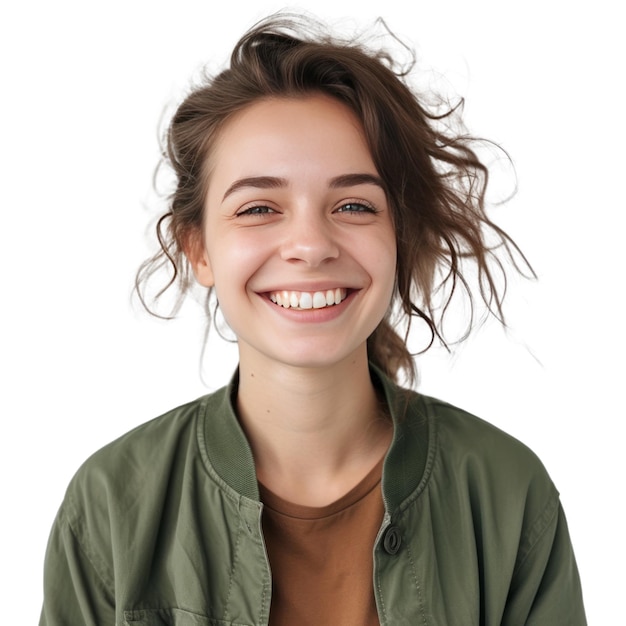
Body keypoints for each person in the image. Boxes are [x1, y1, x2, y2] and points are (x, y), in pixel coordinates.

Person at [39, 15, 586, 626]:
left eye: (353, 204)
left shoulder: (508, 493)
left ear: (399, 236)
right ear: (197, 248)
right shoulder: (109, 503)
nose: (310, 244)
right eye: (258, 207)